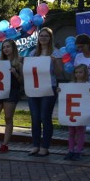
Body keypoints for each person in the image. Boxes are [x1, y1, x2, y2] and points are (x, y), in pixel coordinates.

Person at [26, 27, 61, 157]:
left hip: (48, 87)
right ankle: (35, 145)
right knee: (35, 118)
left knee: (45, 117)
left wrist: (55, 62)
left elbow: (59, 73)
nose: (43, 38)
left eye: (46, 36)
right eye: (41, 36)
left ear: (50, 38)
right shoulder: (33, 53)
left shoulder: (56, 53)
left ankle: (45, 147)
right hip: (33, 88)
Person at [59, 64, 90, 161]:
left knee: (80, 131)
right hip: (71, 112)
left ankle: (78, 151)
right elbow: (64, 95)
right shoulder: (70, 84)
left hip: (81, 112)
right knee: (71, 132)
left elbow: (89, 97)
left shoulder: (88, 85)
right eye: (76, 72)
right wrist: (60, 90)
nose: (78, 74)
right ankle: (70, 150)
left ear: (85, 73)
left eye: (80, 72)